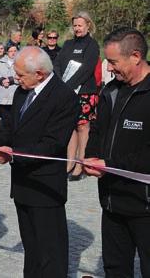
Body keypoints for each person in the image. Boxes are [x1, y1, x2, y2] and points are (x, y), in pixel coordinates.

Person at [0, 46, 78, 278]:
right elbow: (10, 127)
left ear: (40, 74)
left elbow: (51, 145)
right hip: (23, 185)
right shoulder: (22, 91)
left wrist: (12, 154)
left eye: (21, 75)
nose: (16, 79)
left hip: (45, 187)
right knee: (32, 249)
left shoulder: (64, 98)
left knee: (50, 252)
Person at [83, 28, 150, 277]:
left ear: (135, 56)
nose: (109, 68)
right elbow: (97, 131)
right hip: (112, 202)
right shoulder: (110, 91)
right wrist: (91, 156)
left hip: (145, 206)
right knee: (115, 268)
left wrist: (108, 163)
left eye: (113, 62)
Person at [53, 11, 100, 181]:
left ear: (88, 25)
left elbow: (87, 69)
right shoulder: (67, 43)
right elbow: (57, 64)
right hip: (66, 91)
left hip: (85, 91)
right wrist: (61, 85)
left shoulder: (92, 45)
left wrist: (69, 86)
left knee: (82, 127)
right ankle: (70, 162)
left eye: (80, 25)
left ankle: (81, 164)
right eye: (75, 25)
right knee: (70, 127)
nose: (77, 28)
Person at [0, 44, 19, 128]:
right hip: (2, 95)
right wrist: (2, 80)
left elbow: (22, 76)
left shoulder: (20, 62)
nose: (13, 53)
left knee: (13, 118)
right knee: (5, 118)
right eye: (11, 51)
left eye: (15, 51)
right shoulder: (1, 62)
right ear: (7, 52)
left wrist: (10, 80)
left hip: (14, 94)